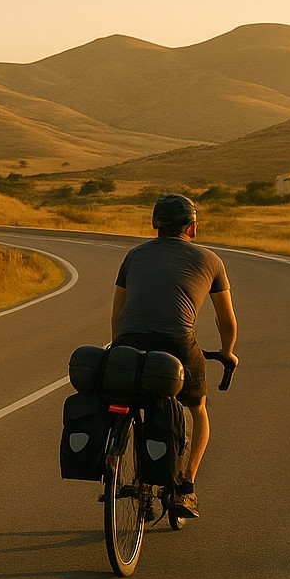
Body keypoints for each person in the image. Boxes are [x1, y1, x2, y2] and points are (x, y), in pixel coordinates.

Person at [111, 193, 238, 518]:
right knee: (197, 410)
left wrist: (121, 350)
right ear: (192, 228)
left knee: (127, 401)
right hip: (178, 344)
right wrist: (227, 353)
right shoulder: (210, 260)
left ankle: (119, 460)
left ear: (154, 224)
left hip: (128, 342)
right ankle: (186, 488)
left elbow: (118, 314)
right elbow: (225, 320)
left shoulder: (133, 256)